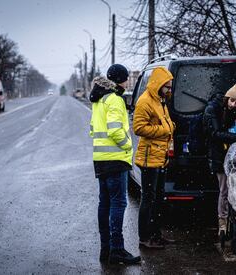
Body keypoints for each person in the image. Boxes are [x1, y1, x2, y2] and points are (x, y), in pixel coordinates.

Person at [89, 64, 141, 264]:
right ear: (120, 79)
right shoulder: (115, 99)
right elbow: (115, 130)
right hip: (116, 159)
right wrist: (128, 145)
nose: (128, 81)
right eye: (126, 78)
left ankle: (106, 249)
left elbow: (93, 129)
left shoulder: (99, 99)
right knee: (118, 204)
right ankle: (117, 250)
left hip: (101, 159)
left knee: (105, 204)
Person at [133, 66, 176, 249]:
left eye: (170, 87)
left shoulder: (160, 101)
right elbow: (139, 128)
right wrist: (165, 130)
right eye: (167, 87)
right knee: (148, 200)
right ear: (158, 85)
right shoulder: (145, 102)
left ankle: (156, 234)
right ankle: (145, 238)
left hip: (160, 156)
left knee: (158, 199)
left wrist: (171, 126)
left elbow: (165, 122)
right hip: (149, 158)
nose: (169, 90)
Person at [202, 81, 236, 236]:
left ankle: (233, 220)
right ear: (227, 97)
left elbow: (227, 128)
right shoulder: (213, 109)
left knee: (233, 189)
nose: (233, 104)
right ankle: (222, 223)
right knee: (224, 190)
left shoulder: (228, 109)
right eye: (232, 100)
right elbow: (216, 134)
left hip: (229, 154)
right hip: (218, 154)